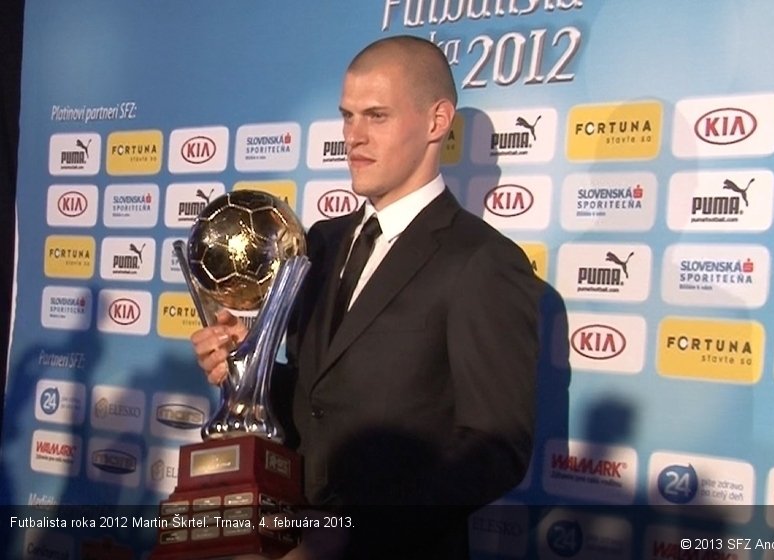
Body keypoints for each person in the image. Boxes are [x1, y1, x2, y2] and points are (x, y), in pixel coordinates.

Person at [190, 35, 543, 559]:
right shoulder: (319, 243)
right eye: (347, 116)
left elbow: (493, 449)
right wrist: (250, 365)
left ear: (437, 121)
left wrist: (343, 537)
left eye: (376, 116)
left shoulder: (482, 261)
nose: (354, 137)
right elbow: (320, 401)